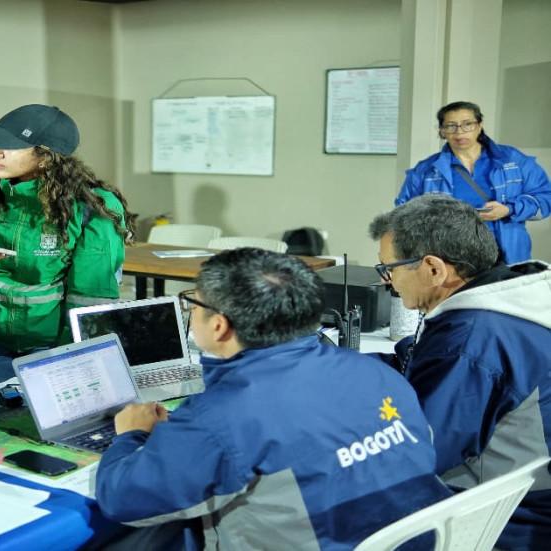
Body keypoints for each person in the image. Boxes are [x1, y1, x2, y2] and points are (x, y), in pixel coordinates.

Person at [94, 248, 450, 549]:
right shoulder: (377, 373)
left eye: (193, 303)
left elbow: (123, 497)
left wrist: (131, 435)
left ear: (219, 325)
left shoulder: (224, 416)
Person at [369, 194, 551, 550]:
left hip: (506, 517)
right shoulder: (515, 298)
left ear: (434, 269)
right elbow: (424, 363)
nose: (388, 281)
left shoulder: (471, 339)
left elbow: (421, 452)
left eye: (388, 268)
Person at [0, 104, 134, 382]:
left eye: (10, 145)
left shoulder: (92, 207)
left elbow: (91, 295)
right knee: (5, 421)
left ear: (45, 158)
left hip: (54, 345)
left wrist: (73, 356)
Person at [396, 100, 551, 264]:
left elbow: (545, 198)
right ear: (442, 131)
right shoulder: (425, 170)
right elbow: (403, 214)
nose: (459, 132)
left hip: (507, 256)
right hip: (450, 260)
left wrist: (508, 209)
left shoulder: (511, 160)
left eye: (467, 124)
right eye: (451, 126)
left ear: (479, 125)